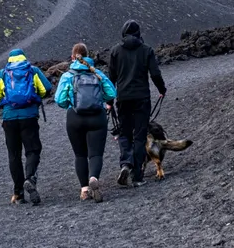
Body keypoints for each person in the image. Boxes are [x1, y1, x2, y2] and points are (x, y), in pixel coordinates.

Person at [53, 42, 117, 202]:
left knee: (80, 154)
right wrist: (101, 100)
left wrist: (71, 104)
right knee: (95, 154)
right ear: (88, 55)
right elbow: (112, 93)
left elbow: (59, 100)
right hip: (97, 117)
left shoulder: (68, 76)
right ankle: (93, 177)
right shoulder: (97, 73)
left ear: (73, 57)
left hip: (75, 118)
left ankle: (84, 189)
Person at [0, 48, 53, 205]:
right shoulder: (33, 70)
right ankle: (30, 178)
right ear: (24, 57)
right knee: (32, 150)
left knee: (14, 154)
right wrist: (35, 98)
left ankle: (18, 194)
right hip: (29, 117)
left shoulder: (3, 73)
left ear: (10, 60)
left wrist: (6, 100)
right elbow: (46, 89)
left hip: (9, 118)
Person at [108, 19, 166, 186]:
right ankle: (137, 176)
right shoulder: (146, 50)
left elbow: (110, 79)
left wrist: (109, 101)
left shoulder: (115, 51)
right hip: (142, 99)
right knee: (139, 137)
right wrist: (162, 90)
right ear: (139, 34)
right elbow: (155, 73)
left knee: (125, 134)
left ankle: (126, 163)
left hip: (123, 99)